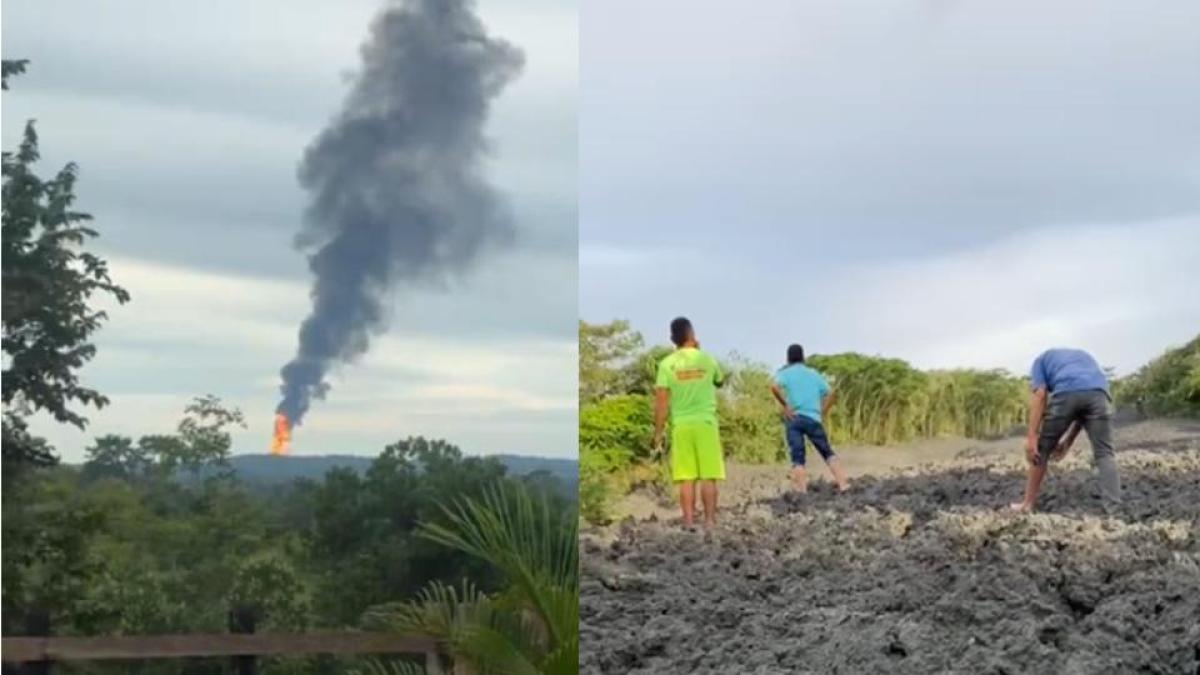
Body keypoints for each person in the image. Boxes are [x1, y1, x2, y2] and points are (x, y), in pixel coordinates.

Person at [1011, 347, 1121, 513]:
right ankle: (1114, 509)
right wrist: (1068, 441)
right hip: (1099, 394)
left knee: (1041, 450)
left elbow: (1040, 395)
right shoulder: (1084, 357)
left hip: (1067, 393)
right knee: (1105, 453)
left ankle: (1027, 504)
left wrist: (1032, 436)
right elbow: (1082, 411)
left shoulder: (1039, 362)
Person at [652, 317, 725, 531]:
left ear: (672, 339)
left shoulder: (666, 365)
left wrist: (658, 433)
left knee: (686, 478)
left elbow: (661, 403)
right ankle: (710, 522)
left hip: (681, 426)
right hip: (706, 423)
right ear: (692, 335)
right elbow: (720, 381)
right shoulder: (707, 359)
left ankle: (688, 522)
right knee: (708, 477)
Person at [769, 344, 849, 494]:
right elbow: (831, 393)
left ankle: (801, 491)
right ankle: (843, 484)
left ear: (788, 358)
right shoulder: (813, 374)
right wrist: (822, 411)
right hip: (813, 418)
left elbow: (773, 387)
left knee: (797, 457)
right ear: (803, 358)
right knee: (827, 452)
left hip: (795, 418)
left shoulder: (785, 373)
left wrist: (785, 405)